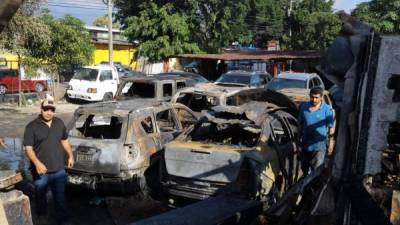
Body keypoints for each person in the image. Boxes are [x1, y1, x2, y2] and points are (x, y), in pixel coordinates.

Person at [23, 97, 74, 225]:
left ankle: (62, 220)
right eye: (46, 109)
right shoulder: (31, 127)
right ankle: (42, 217)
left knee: (60, 198)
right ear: (41, 109)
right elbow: (28, 149)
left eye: (51, 109)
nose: (49, 112)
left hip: (59, 169)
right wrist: (37, 163)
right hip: (41, 171)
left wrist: (71, 155)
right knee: (40, 197)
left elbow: (64, 140)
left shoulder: (59, 123)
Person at [298, 87, 335, 174]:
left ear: (321, 97)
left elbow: (331, 127)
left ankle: (314, 185)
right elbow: (300, 124)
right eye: (312, 97)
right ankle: (305, 184)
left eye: (316, 97)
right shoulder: (304, 107)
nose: (314, 100)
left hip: (319, 146)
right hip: (306, 144)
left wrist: (330, 143)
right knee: (304, 168)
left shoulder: (327, 109)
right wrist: (297, 139)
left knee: (317, 169)